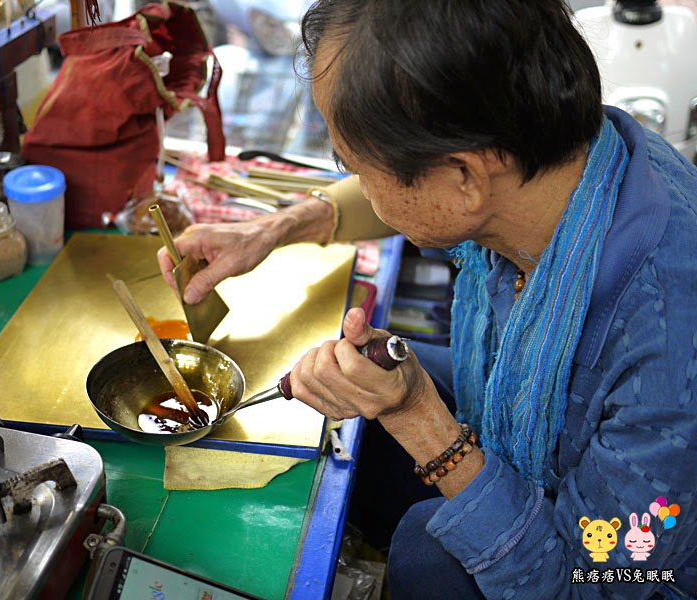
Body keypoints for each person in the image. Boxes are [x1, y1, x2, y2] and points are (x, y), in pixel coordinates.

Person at [158, 0, 697, 597]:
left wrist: (420, 419)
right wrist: (274, 228)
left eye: (357, 167)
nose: (358, 183)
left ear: (463, 178)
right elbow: (417, 183)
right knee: (360, 397)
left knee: (424, 550)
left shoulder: (666, 357)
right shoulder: (555, 159)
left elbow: (582, 586)